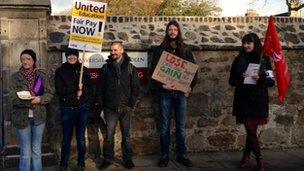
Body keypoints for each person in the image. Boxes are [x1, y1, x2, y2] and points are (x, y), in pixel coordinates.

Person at [150, 20, 197, 168]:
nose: (172, 32)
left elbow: (192, 71)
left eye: (175, 30)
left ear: (178, 32)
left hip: (181, 94)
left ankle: (181, 154)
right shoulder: (159, 50)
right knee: (164, 126)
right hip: (165, 93)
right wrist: (162, 85)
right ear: (167, 31)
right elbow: (153, 73)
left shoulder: (185, 50)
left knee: (181, 126)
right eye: (170, 29)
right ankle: (165, 155)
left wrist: (190, 88)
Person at [229, 33, 275, 171]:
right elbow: (231, 81)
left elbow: (271, 81)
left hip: (258, 100)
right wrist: (242, 78)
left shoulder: (264, 60)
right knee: (250, 129)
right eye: (244, 43)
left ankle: (246, 156)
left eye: (249, 43)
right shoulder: (238, 59)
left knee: (252, 130)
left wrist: (259, 78)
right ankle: (260, 160)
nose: (246, 45)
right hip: (243, 99)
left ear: (255, 43)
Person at [98, 42, 140, 169]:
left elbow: (136, 87)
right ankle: (108, 159)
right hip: (110, 108)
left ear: (122, 50)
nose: (113, 53)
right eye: (111, 50)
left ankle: (127, 160)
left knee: (126, 136)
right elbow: (101, 87)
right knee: (109, 136)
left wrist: (131, 103)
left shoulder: (131, 68)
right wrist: (103, 103)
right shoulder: (105, 68)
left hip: (126, 107)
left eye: (115, 50)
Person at [10, 49, 53, 171]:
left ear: (34, 61)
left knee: (36, 150)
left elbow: (49, 93)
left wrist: (39, 100)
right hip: (21, 118)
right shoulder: (15, 77)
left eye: (28, 59)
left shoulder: (41, 76)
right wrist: (29, 101)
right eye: (23, 59)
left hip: (39, 117)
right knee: (25, 151)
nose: (25, 61)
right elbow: (13, 98)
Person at [55, 48, 91, 171]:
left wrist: (83, 91)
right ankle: (63, 164)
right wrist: (75, 88)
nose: (71, 57)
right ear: (66, 56)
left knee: (81, 138)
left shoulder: (83, 70)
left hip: (82, 109)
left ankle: (81, 163)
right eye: (69, 55)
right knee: (66, 138)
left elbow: (90, 89)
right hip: (67, 109)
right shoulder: (60, 71)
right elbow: (59, 90)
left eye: (74, 55)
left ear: (77, 56)